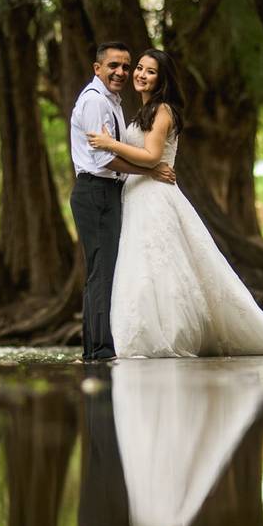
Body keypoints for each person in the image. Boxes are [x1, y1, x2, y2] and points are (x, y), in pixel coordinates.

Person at [87, 49, 263, 356]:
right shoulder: (143, 112)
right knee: (143, 266)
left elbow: (153, 156)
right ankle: (142, 334)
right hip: (138, 195)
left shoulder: (163, 111)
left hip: (155, 196)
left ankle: (170, 335)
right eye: (139, 68)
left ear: (162, 79)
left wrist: (111, 144)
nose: (140, 75)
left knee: (159, 264)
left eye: (150, 71)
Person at [69, 41, 177, 361]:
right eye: (114, 66)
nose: (122, 72)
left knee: (109, 270)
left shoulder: (113, 101)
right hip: (96, 190)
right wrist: (151, 170)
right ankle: (100, 349)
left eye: (125, 66)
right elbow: (103, 159)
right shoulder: (95, 102)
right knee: (102, 272)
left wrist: (147, 170)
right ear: (97, 68)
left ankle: (99, 345)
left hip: (110, 191)